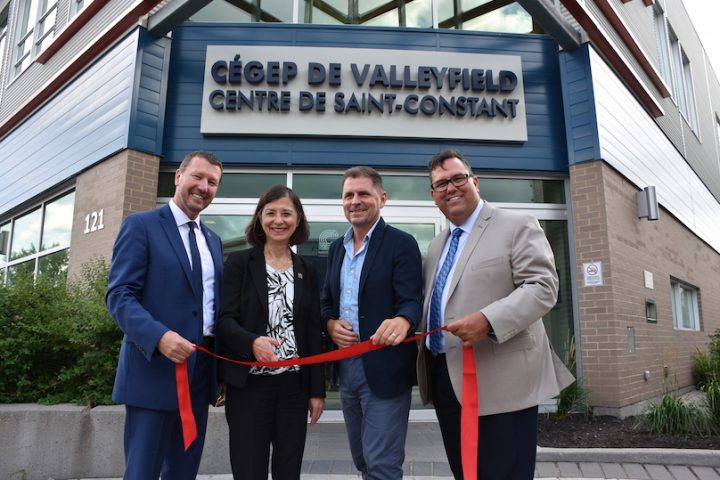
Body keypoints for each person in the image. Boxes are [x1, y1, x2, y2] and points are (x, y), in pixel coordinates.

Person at [417, 149, 574, 479]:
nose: (450, 188)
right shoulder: (436, 246)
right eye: (441, 184)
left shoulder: (516, 225)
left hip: (504, 384)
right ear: (434, 196)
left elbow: (543, 287)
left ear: (474, 181)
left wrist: (487, 320)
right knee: (466, 472)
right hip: (448, 380)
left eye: (457, 178)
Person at [106, 150, 224, 479]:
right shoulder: (141, 225)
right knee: (143, 472)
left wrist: (221, 371)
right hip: (154, 373)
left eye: (212, 182)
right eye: (198, 177)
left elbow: (212, 309)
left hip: (199, 377)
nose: (204, 187)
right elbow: (119, 294)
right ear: (178, 177)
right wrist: (159, 336)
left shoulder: (213, 241)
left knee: (184, 472)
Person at [216, 185, 325, 480]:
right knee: (249, 468)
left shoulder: (307, 269)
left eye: (287, 213)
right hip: (249, 386)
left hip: (294, 387)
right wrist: (251, 342)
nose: (279, 220)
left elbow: (313, 332)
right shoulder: (239, 263)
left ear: (298, 220)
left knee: (288, 469)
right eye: (271, 212)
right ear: (260, 218)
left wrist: (317, 391)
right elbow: (224, 320)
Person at [321, 166, 423, 479]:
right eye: (348, 195)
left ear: (382, 198)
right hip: (347, 369)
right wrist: (329, 324)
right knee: (363, 458)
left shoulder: (401, 243)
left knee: (382, 463)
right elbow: (326, 300)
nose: (355, 201)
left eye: (363, 193)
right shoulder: (337, 247)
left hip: (385, 368)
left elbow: (412, 300)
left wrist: (404, 320)